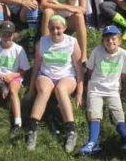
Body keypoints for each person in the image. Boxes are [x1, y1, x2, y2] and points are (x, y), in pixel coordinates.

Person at [79, 25, 126, 156]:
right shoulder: (97, 51)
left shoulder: (124, 54)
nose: (110, 42)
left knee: (118, 113)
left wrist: (125, 90)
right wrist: (86, 87)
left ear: (119, 40)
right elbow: (90, 70)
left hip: (113, 90)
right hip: (95, 88)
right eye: (107, 39)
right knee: (94, 113)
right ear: (103, 42)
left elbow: (124, 74)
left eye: (113, 39)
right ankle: (93, 142)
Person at [25, 15, 85, 153]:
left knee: (61, 89)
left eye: (58, 28)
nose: (55, 31)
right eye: (52, 28)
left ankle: (71, 130)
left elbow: (79, 68)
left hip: (67, 76)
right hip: (46, 75)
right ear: (48, 29)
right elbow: (37, 66)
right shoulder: (43, 42)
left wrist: (80, 92)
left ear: (64, 28)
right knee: (44, 90)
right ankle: (32, 129)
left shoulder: (72, 42)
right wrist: (31, 88)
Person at [0, 21, 30, 140]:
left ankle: (18, 122)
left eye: (9, 34)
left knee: (13, 91)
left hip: (14, 76)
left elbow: (24, 70)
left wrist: (13, 75)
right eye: (4, 34)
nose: (6, 37)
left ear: (13, 35)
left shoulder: (18, 49)